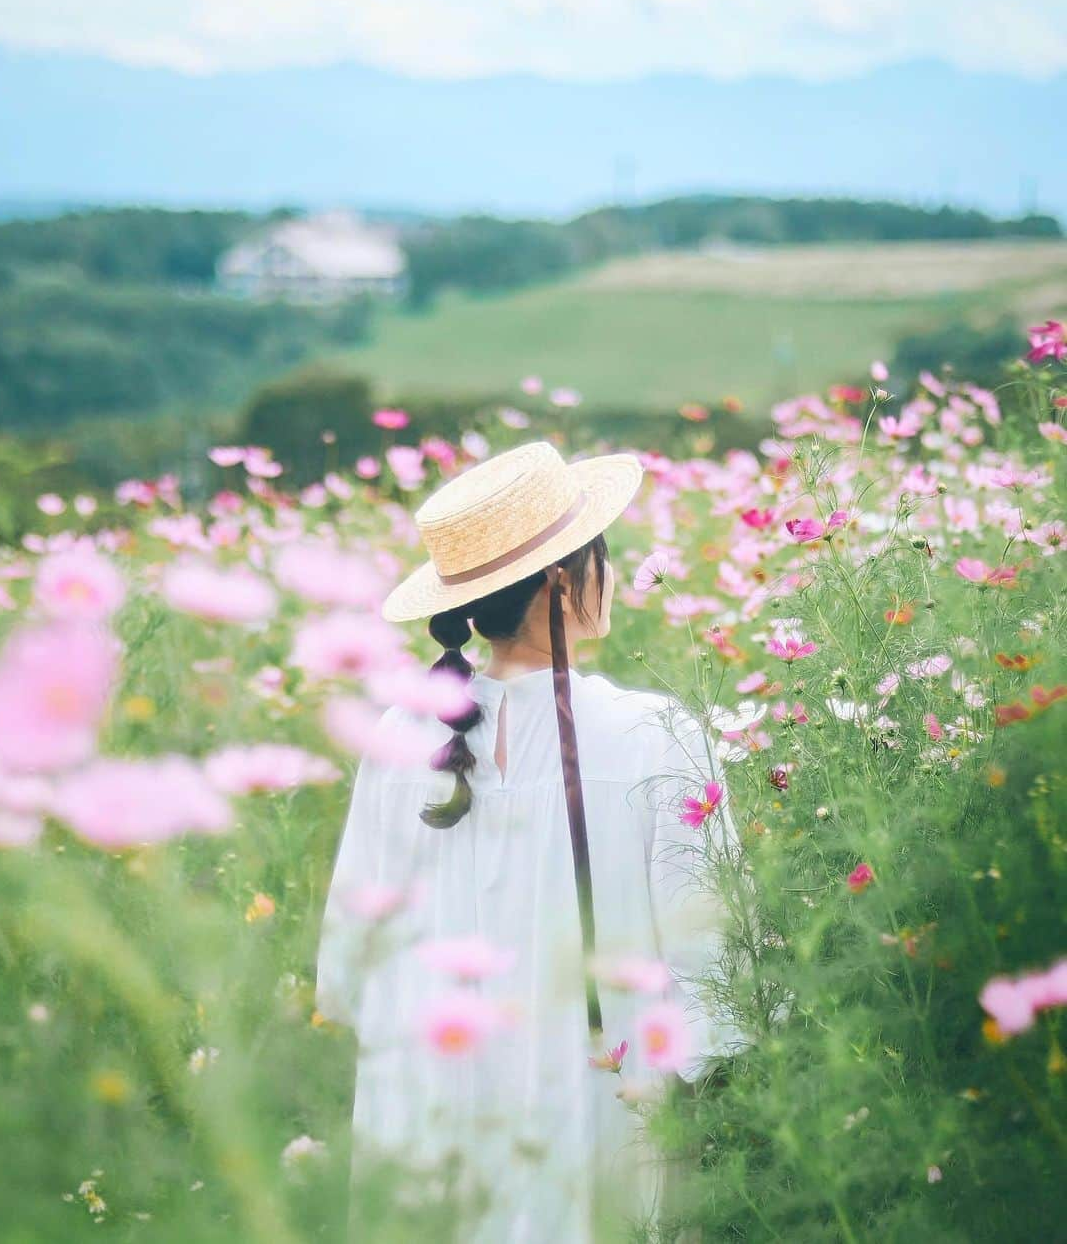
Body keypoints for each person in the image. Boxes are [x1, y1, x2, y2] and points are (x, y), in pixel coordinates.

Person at [315, 440, 754, 1242]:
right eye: (602, 557)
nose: (611, 577)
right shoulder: (655, 737)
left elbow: (349, 967)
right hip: (596, 1100)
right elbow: (714, 961)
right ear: (564, 580)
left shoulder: (400, 734)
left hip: (433, 1105)